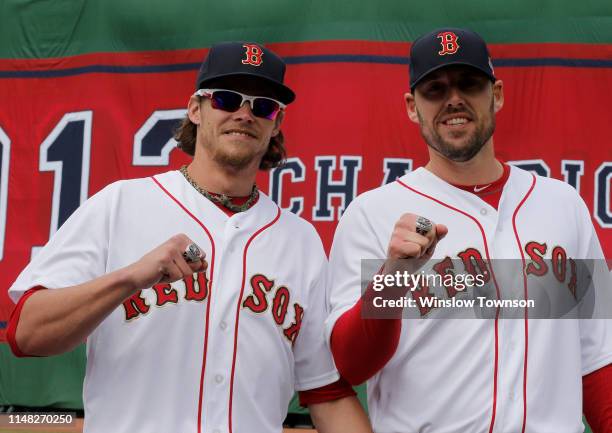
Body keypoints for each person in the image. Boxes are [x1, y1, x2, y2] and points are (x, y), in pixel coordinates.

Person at [7, 42, 371, 433]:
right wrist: (130, 277)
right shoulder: (122, 204)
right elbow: (26, 333)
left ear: (276, 123)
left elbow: (325, 392)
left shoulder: (300, 240)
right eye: (227, 99)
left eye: (262, 106)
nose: (245, 114)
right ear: (195, 109)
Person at [326, 28, 612, 432]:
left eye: (469, 84)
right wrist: (391, 280)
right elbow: (351, 365)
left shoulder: (563, 206)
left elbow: (598, 358)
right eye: (435, 89)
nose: (453, 99)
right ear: (412, 106)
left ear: (496, 94)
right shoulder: (372, 214)